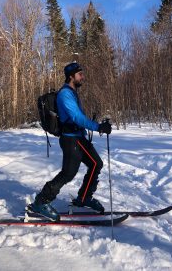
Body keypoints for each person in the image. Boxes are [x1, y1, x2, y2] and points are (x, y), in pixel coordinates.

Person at [28, 62, 112, 221]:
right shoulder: (65, 94)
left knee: (95, 164)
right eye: (80, 74)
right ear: (71, 76)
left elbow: (78, 118)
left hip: (78, 138)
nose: (83, 77)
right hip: (71, 140)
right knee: (68, 174)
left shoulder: (72, 93)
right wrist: (98, 127)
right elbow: (76, 118)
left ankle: (84, 198)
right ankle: (41, 202)